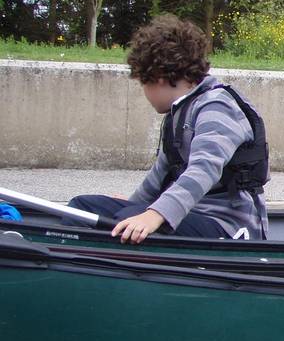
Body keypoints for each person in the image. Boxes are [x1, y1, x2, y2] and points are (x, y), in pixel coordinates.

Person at [67, 14, 270, 244]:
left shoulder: (217, 107)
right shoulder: (178, 114)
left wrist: (155, 214)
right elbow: (158, 178)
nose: (144, 93)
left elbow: (203, 170)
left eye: (144, 83)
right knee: (82, 207)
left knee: (125, 222)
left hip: (227, 225)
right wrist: (134, 205)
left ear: (159, 77)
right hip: (189, 216)